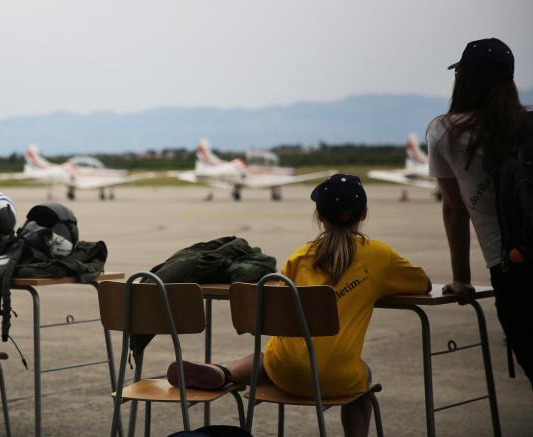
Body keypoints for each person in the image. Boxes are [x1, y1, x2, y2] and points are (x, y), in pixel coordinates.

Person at [167, 174, 431, 437]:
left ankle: (223, 372)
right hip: (336, 379)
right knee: (364, 381)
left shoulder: (300, 257)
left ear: (319, 216)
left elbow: (283, 314)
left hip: (285, 373)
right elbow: (423, 284)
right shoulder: (379, 257)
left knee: (272, 355)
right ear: (364, 214)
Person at [427, 37, 533, 387]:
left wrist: (461, 277)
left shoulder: (444, 130)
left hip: (510, 267)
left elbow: (455, 208)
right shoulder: (527, 124)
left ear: (464, 79)